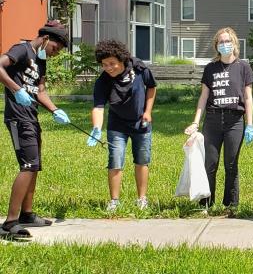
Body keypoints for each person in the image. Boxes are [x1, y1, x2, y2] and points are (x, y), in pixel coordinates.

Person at [0, 20, 71, 239]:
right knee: (28, 166)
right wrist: (16, 89)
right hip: (18, 118)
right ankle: (9, 224)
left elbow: (40, 92)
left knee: (35, 165)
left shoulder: (40, 63)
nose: (54, 54)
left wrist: (55, 109)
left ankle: (27, 214)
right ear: (46, 39)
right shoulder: (21, 50)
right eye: (55, 49)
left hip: (31, 117)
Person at [185, 27, 253, 212]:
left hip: (235, 121)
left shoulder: (243, 67)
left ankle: (231, 205)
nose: (225, 45)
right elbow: (203, 97)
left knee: (231, 164)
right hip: (213, 121)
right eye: (221, 42)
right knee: (210, 163)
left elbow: (248, 97)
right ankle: (206, 204)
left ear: (234, 44)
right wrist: (195, 122)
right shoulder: (211, 68)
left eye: (228, 41)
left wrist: (249, 125)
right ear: (216, 46)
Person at [87, 40, 156, 211]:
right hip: (117, 125)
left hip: (141, 123)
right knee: (115, 161)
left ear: (122, 59)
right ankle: (114, 201)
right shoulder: (102, 81)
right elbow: (98, 107)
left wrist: (148, 111)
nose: (108, 68)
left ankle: (141, 199)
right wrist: (96, 127)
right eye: (104, 64)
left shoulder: (139, 68)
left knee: (142, 161)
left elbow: (152, 87)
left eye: (112, 63)